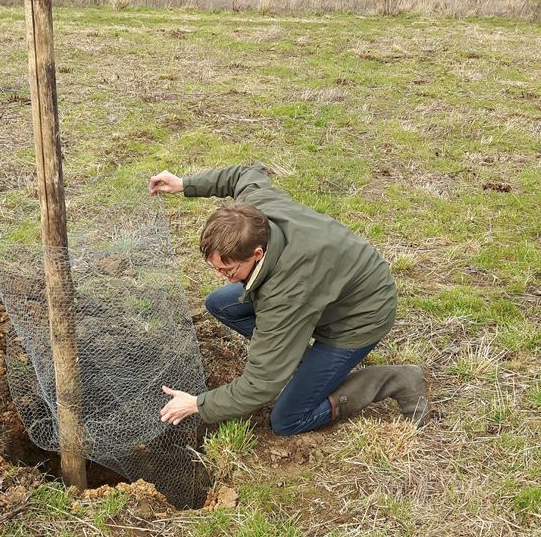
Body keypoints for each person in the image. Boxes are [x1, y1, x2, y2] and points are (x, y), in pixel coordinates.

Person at [149, 164, 428, 434]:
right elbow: (244, 173)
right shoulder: (254, 211)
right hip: (335, 282)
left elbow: (260, 384)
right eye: (215, 267)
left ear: (257, 254)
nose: (221, 276)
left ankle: (398, 380)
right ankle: (304, 365)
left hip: (361, 314)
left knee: (287, 420)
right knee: (221, 304)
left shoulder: (285, 296)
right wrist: (185, 184)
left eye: (228, 270)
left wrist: (198, 404)